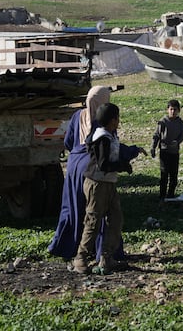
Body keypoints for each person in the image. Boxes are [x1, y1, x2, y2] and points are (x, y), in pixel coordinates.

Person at [49, 86, 126, 264]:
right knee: (99, 212)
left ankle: (68, 247)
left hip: (74, 166)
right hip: (94, 170)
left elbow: (68, 141)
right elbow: (111, 151)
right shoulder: (106, 120)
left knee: (74, 208)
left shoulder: (77, 115)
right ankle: (99, 254)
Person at [74, 102, 146, 274]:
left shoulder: (109, 135)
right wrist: (123, 166)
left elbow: (117, 151)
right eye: (117, 118)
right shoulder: (102, 138)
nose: (119, 121)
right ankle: (80, 258)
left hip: (108, 183)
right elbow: (103, 164)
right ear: (112, 120)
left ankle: (107, 258)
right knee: (93, 221)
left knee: (116, 219)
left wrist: (133, 151)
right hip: (97, 184)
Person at [151, 99, 183, 200]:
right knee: (164, 174)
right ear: (167, 110)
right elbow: (156, 135)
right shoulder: (163, 121)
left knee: (174, 175)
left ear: (179, 110)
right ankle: (162, 196)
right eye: (171, 109)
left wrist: (177, 142)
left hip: (175, 152)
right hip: (164, 151)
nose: (173, 112)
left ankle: (171, 195)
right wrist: (153, 147)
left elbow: (182, 136)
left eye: (175, 109)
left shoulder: (180, 122)